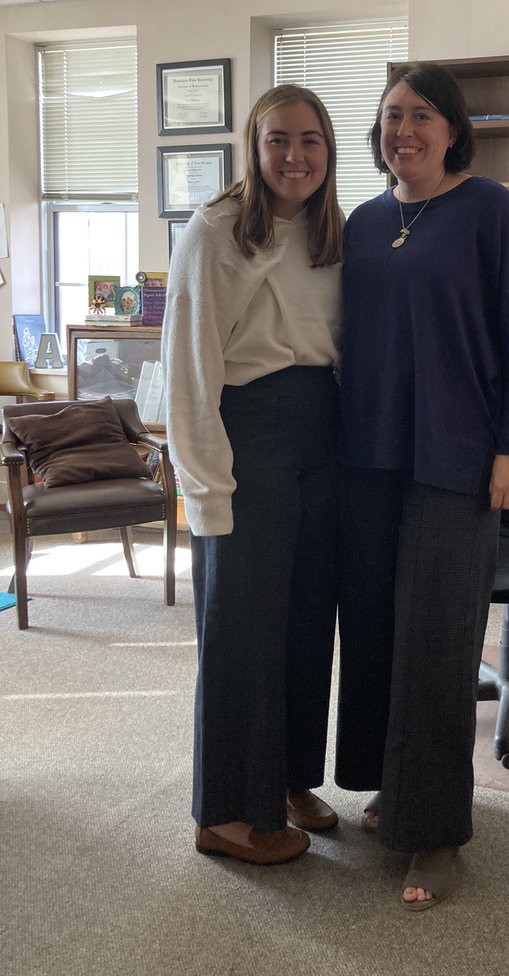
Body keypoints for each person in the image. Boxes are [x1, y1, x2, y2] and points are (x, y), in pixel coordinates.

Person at [336, 62, 509, 909]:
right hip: (369, 459)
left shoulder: (488, 209)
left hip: (459, 463)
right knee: (381, 633)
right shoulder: (361, 221)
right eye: (391, 116)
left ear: (453, 128)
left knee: (436, 644)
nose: (405, 131)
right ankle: (395, 796)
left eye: (421, 115)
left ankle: (435, 838)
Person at [161, 85, 343, 865]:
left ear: (329, 149)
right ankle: (227, 812)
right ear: (253, 145)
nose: (294, 156)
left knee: (305, 622)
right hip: (250, 435)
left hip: (323, 431)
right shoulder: (215, 231)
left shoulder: (332, 232)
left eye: (309, 140)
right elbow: (189, 372)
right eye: (278, 140)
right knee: (242, 631)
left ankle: (289, 778)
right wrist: (205, 492)